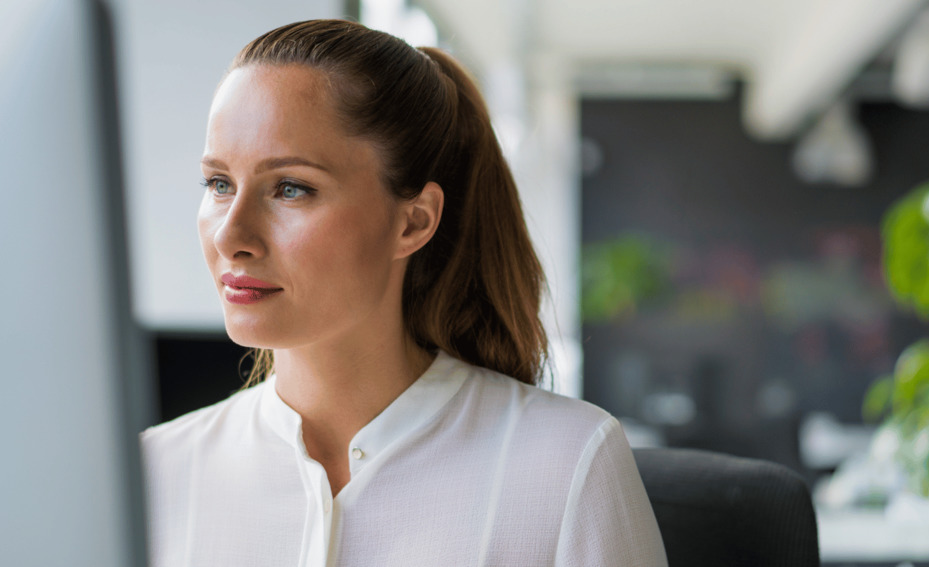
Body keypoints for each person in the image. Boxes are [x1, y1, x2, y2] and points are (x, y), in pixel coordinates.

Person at [140, 19, 666, 566]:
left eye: (291, 188)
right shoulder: (154, 475)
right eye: (219, 184)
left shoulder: (567, 465)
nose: (231, 236)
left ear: (413, 222)